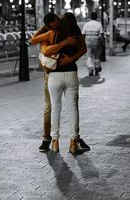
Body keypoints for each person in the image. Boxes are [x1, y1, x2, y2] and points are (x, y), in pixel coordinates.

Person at [30, 12, 90, 154]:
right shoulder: (74, 32)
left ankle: (54, 141)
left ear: (59, 20)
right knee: (73, 109)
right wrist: (70, 58)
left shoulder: (52, 32)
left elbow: (36, 43)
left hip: (53, 75)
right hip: (71, 74)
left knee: (54, 108)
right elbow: (83, 48)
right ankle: (73, 142)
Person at [82, 12, 103, 76]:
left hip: (88, 42)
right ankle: (97, 67)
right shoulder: (99, 24)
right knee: (97, 56)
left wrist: (83, 43)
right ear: (96, 17)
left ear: (90, 17)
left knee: (89, 56)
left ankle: (90, 67)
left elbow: (83, 34)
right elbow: (101, 34)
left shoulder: (86, 24)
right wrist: (102, 42)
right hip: (97, 42)